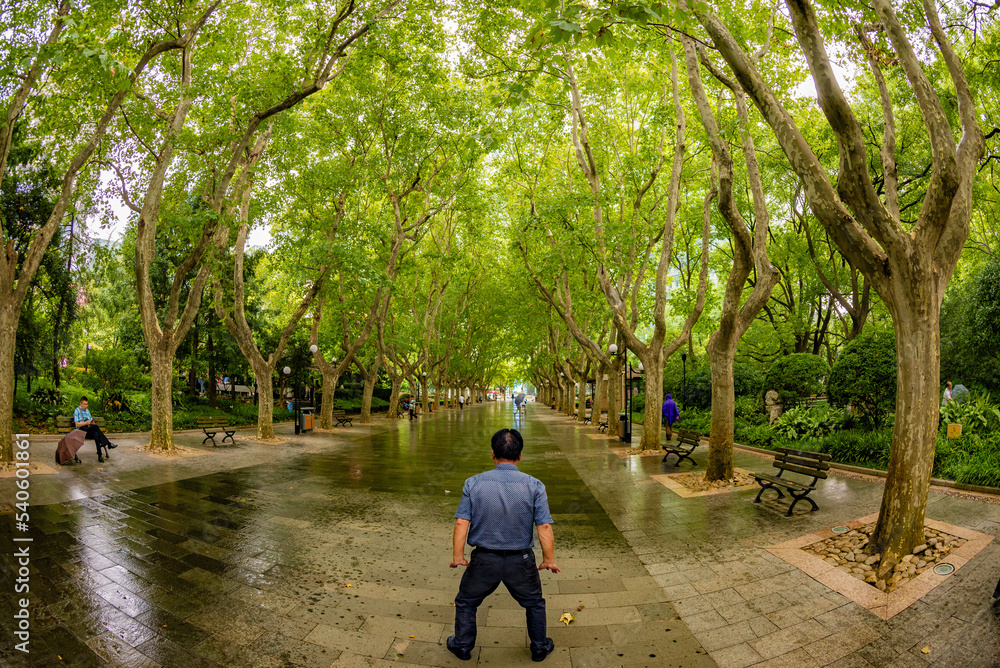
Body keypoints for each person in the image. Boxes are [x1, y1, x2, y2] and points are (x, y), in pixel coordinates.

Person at [448, 429, 558, 663]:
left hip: (484, 559)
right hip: (522, 560)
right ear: (520, 456)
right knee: (534, 603)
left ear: (493, 454)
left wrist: (458, 555)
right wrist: (548, 559)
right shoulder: (535, 485)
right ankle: (539, 647)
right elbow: (544, 527)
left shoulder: (474, 483)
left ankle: (463, 646)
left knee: (466, 602)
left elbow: (461, 522)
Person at [74, 397, 117, 463]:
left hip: (89, 428)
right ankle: (108, 443)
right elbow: (76, 424)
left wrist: (91, 422)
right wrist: (86, 422)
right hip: (81, 430)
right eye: (84, 404)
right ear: (81, 403)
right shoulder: (77, 411)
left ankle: (100, 455)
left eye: (87, 404)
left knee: (96, 435)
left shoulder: (87, 411)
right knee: (96, 427)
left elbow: (91, 420)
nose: (86, 406)